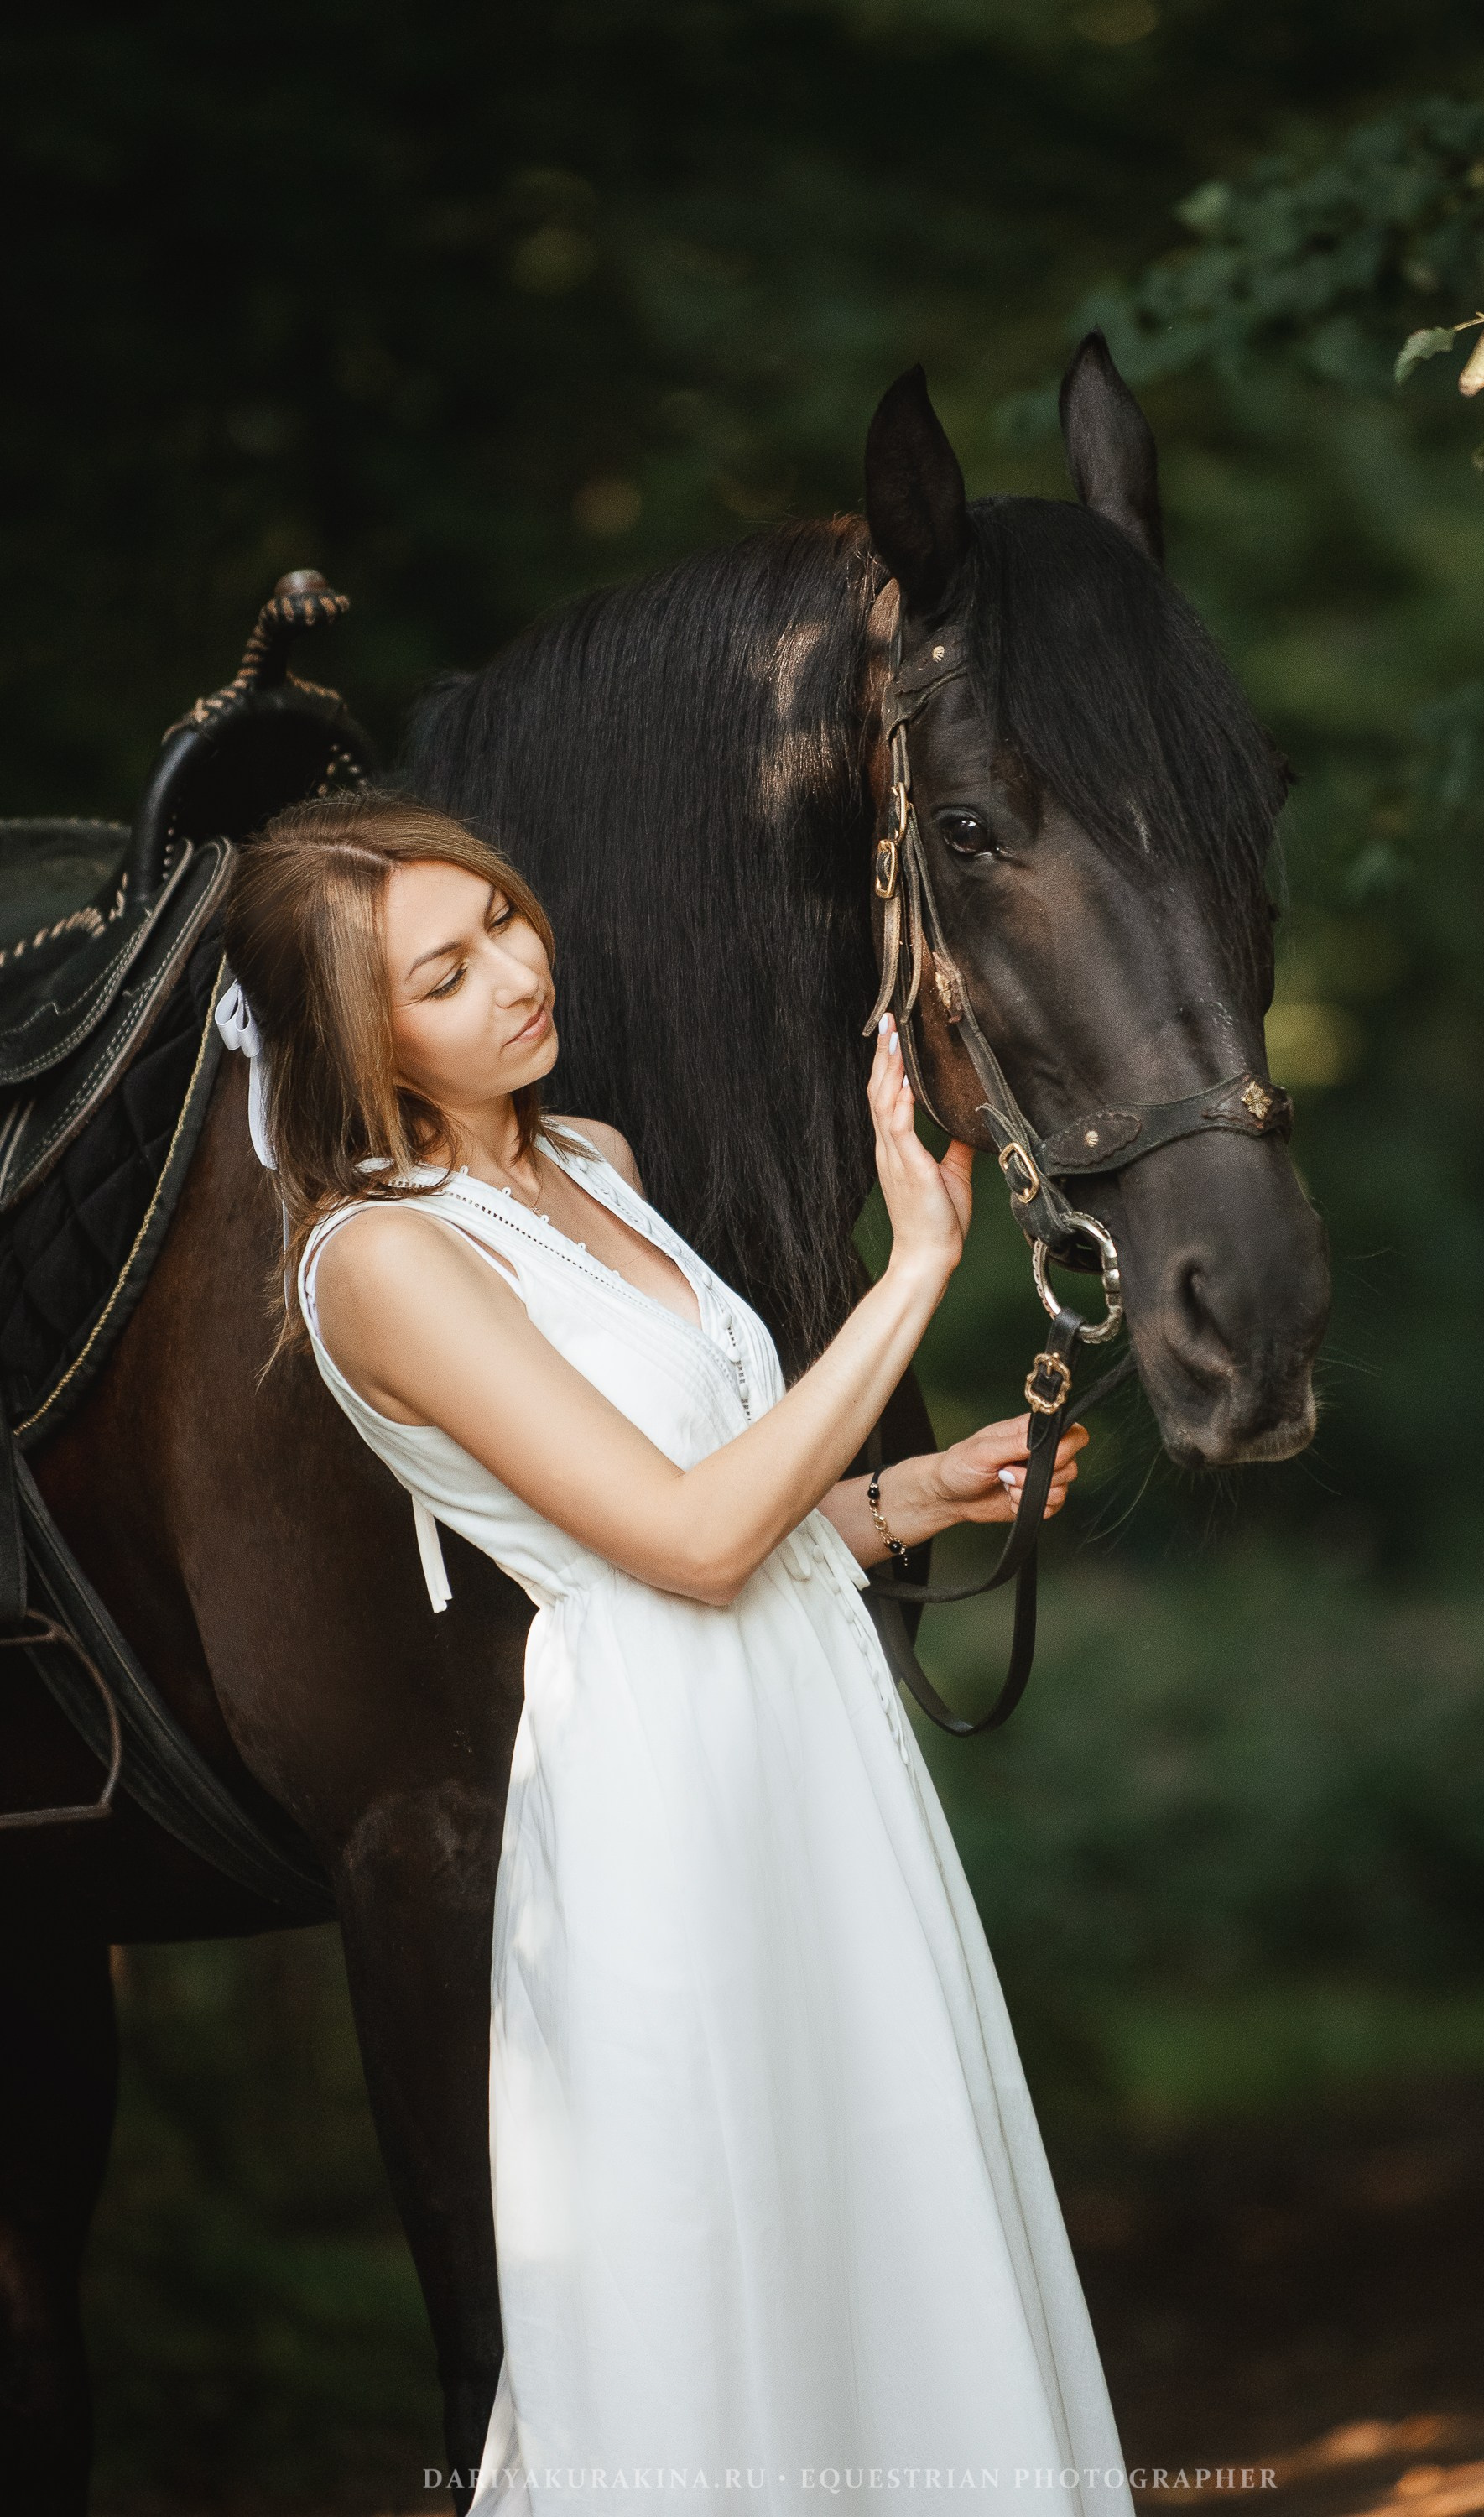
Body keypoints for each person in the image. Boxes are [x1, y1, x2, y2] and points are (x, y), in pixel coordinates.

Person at [220, 792, 1131, 2517]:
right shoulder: (383, 1259)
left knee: (885, 2208)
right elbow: (689, 1548)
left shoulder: (596, 1163)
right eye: (442, 975)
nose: (515, 974)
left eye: (501, 920)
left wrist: (914, 1494)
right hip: (666, 1791)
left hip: (814, 1753)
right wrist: (913, 1275)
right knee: (720, 2265)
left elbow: (738, 1520)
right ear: (361, 1040)